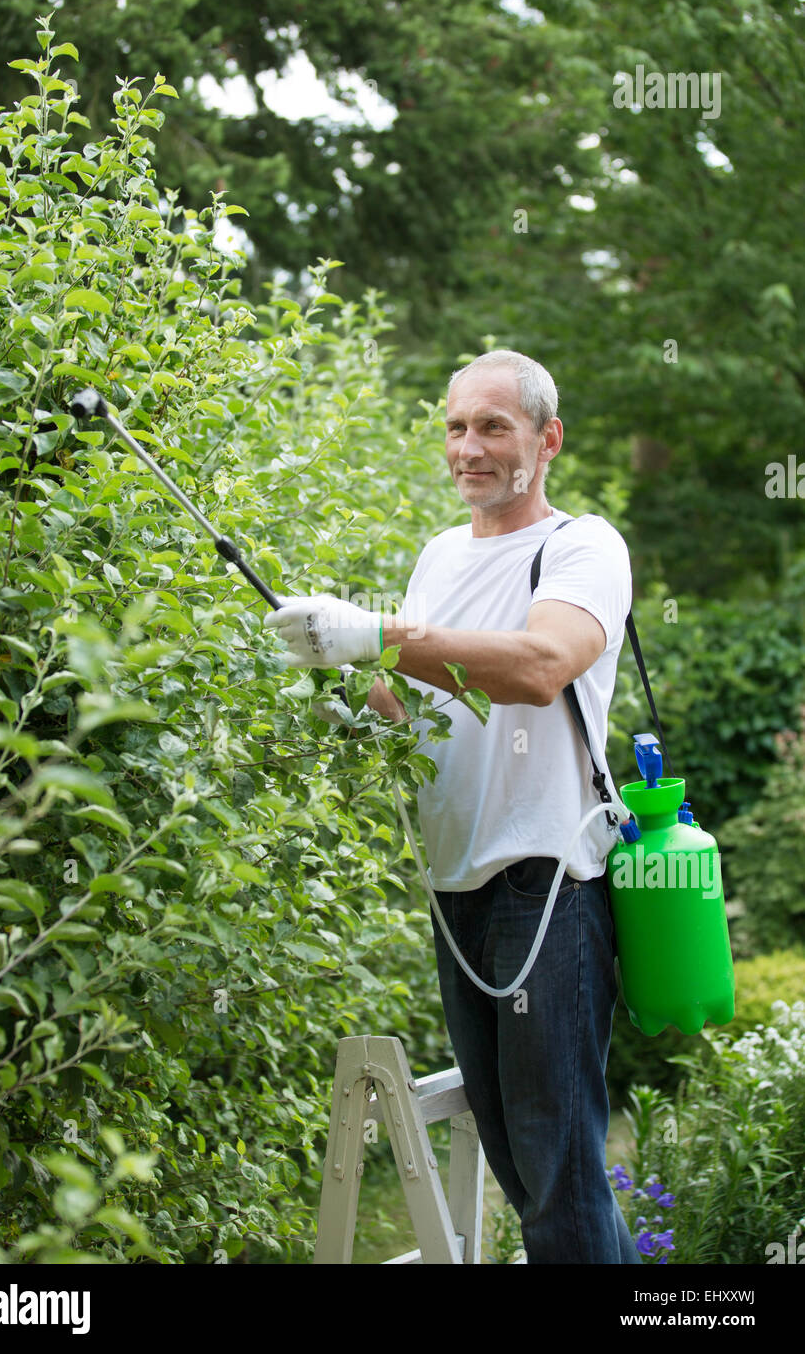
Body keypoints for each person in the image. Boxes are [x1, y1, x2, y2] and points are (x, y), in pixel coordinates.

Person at [264, 349, 641, 1264]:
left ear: (546, 440)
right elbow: (416, 706)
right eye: (455, 426)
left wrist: (382, 634)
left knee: (558, 1171)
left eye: (492, 427)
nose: (468, 447)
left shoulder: (581, 546)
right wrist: (343, 669)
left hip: (547, 884)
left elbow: (539, 666)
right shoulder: (438, 555)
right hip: (456, 888)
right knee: (524, 1168)